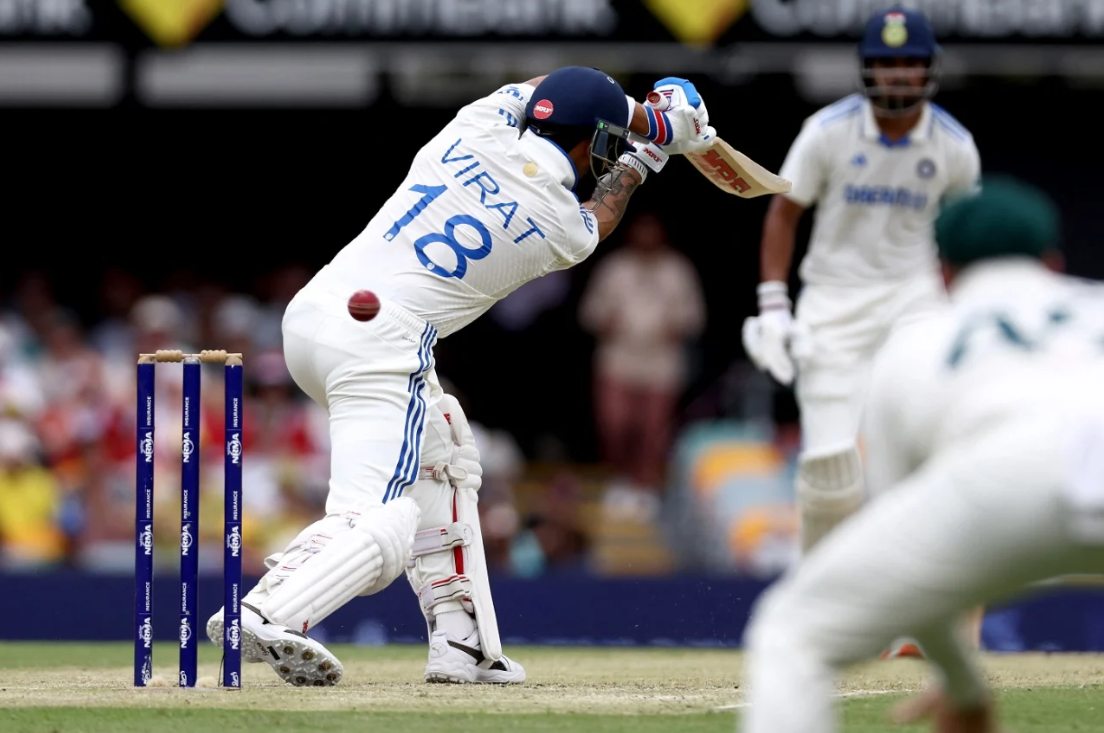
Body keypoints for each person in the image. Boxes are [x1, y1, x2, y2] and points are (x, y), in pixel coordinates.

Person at [205, 67, 716, 686]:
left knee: (444, 451)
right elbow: (601, 214)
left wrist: (647, 115)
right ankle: (268, 610)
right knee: (381, 516)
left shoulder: (476, 124)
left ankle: (463, 645)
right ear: (594, 141)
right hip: (380, 345)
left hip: (314, 316)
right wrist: (654, 146)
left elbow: (549, 86)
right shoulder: (557, 224)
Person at [739, 176, 1104, 733]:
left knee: (792, 634)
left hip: (1010, 482)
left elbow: (909, 543)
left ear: (944, 273)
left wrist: (961, 684)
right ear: (1051, 262)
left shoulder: (917, 342)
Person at [742, 6, 980, 555]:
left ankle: (914, 602)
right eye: (885, 63)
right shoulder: (827, 132)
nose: (896, 75)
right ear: (866, 68)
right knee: (829, 469)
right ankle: (823, 602)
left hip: (916, 301)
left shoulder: (954, 146)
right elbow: (784, 212)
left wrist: (968, 311)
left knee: (919, 458)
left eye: (908, 63)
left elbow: (969, 237)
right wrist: (774, 304)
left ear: (929, 69)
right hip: (833, 302)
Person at [579, 212, 705, 518]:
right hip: (618, 359)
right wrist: (608, 321)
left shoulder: (678, 270)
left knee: (654, 429)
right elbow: (590, 312)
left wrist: (673, 327)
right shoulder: (614, 268)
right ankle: (620, 481)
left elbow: (695, 316)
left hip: (661, 361)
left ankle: (645, 487)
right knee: (615, 423)